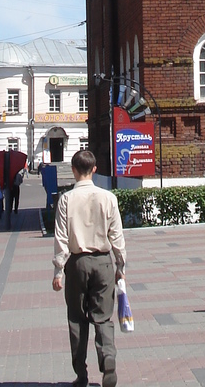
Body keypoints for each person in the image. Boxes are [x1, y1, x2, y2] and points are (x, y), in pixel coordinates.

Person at [52, 148, 126, 387]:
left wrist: (58, 270)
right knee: (103, 318)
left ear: (74, 170)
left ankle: (81, 374)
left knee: (77, 319)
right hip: (103, 261)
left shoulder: (66, 199)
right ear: (94, 169)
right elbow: (117, 235)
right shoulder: (108, 198)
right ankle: (108, 358)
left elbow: (61, 238)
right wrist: (120, 265)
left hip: (76, 264)